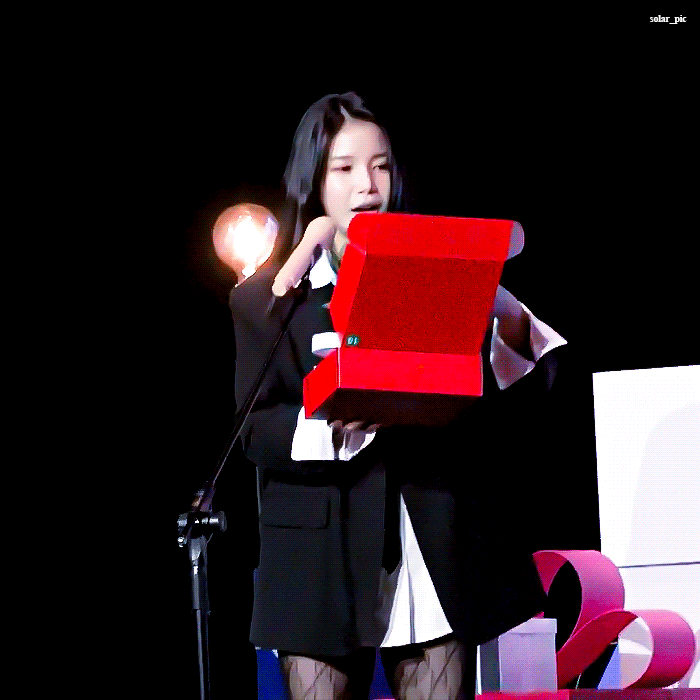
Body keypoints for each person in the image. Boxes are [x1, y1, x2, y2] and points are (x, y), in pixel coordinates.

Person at [229, 92, 567, 700]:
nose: (367, 184)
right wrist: (333, 426)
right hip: (319, 564)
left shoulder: (432, 267)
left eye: (380, 166)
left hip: (427, 549)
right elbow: (254, 429)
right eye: (345, 168)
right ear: (314, 180)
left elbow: (526, 393)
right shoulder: (268, 297)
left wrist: (503, 307)